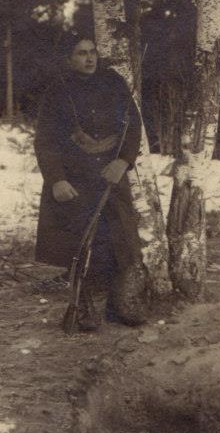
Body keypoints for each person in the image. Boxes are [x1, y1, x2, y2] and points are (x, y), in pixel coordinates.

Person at [34, 33, 147, 330]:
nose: (89, 58)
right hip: (75, 177)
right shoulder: (57, 91)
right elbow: (45, 141)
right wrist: (57, 180)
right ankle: (83, 307)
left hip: (111, 174)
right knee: (80, 243)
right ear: (69, 59)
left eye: (92, 52)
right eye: (81, 53)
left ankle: (121, 304)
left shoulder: (113, 83)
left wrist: (123, 161)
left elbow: (133, 127)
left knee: (124, 239)